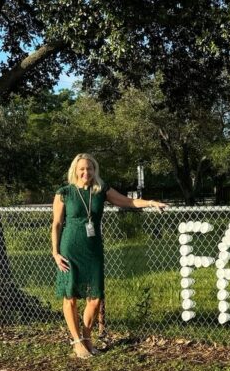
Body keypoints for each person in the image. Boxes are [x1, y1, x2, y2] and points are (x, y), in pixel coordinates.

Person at [51, 153, 167, 358]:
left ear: (95, 170)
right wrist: (55, 252)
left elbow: (127, 202)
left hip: (93, 249)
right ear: (75, 171)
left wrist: (150, 203)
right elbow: (57, 224)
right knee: (70, 296)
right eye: (82, 169)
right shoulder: (64, 193)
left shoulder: (100, 191)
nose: (86, 172)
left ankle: (87, 337)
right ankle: (77, 341)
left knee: (95, 297)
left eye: (90, 168)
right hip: (70, 249)